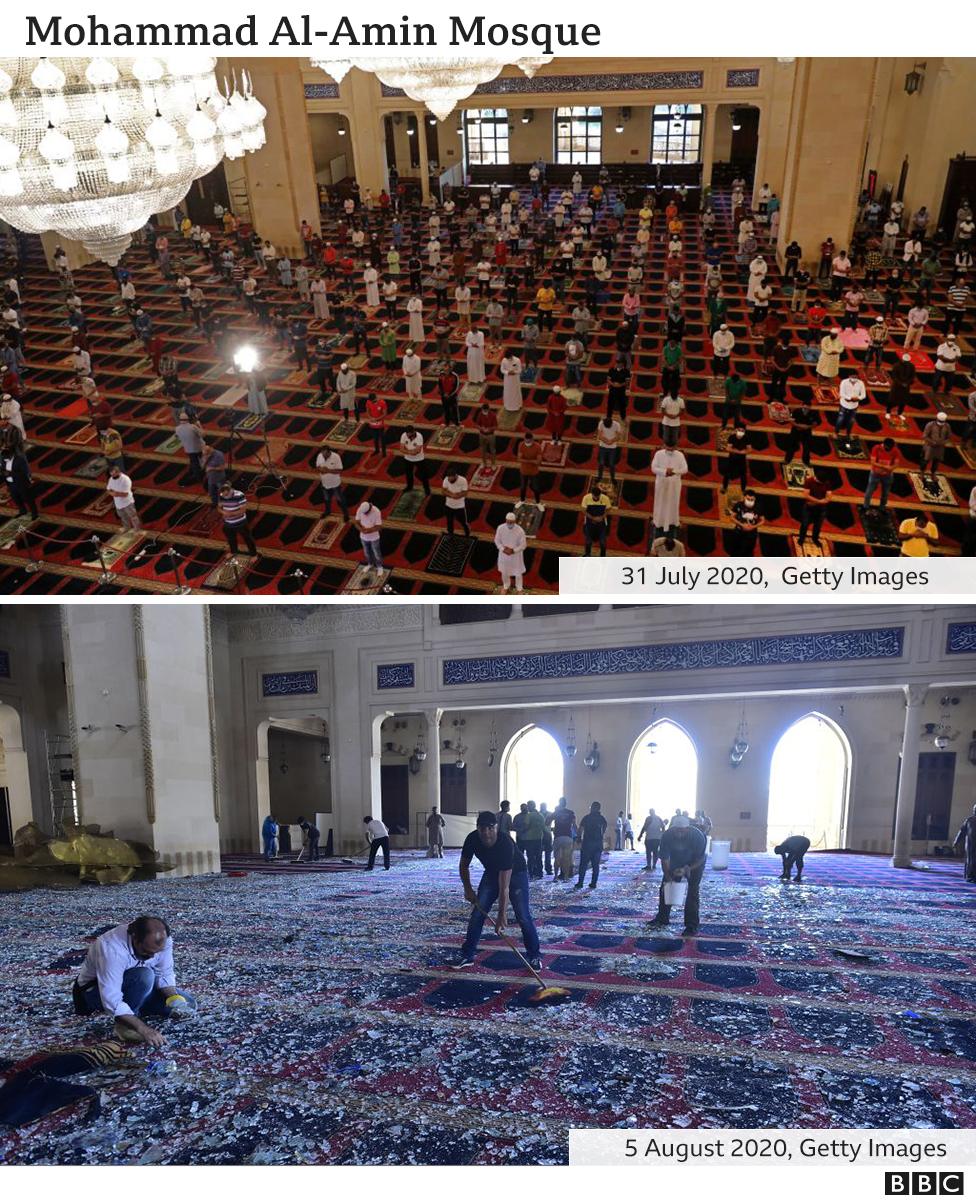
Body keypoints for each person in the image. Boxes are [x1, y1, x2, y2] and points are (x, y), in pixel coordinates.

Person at [73, 916, 196, 1045]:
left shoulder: (163, 942)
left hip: (138, 987)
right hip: (95, 992)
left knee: (188, 1003)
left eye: (156, 953)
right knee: (145, 975)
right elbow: (111, 998)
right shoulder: (111, 948)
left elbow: (163, 973)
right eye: (147, 952)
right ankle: (125, 1024)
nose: (152, 957)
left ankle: (135, 1010)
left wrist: (174, 998)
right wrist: (144, 1029)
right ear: (135, 939)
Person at [452, 810, 541, 971]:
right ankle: (467, 954)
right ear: (477, 828)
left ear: (496, 827)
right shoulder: (472, 839)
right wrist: (468, 889)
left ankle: (534, 956)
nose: (486, 833)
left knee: (523, 915)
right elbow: (463, 865)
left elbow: (504, 887)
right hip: (492, 872)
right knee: (478, 913)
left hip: (516, 873)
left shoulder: (505, 843)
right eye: (482, 828)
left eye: (490, 828)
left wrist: (501, 915)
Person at [649, 821, 708, 936]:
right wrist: (668, 876)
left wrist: (687, 869)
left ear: (688, 829)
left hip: (695, 863)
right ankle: (662, 918)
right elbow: (664, 859)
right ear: (673, 829)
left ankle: (691, 925)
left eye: (682, 831)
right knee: (666, 888)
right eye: (677, 830)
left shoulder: (698, 836)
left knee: (693, 891)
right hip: (676, 861)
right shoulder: (667, 836)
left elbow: (700, 859)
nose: (679, 833)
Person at [651, 444, 688, 535]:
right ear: (664, 445)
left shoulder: (680, 455)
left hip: (674, 485)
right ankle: (658, 521)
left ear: (675, 446)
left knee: (673, 504)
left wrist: (674, 471)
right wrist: (664, 472)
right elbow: (653, 468)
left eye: (672, 446)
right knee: (660, 503)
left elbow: (685, 469)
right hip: (661, 484)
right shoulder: (658, 454)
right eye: (668, 446)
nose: (670, 448)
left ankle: (672, 522)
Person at [218, 482, 258, 559]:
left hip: (240, 523)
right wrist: (223, 512)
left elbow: (242, 510)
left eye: (226, 495)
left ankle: (254, 554)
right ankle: (233, 551)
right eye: (223, 494)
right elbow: (219, 507)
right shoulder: (222, 495)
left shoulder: (239, 495)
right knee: (231, 539)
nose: (224, 496)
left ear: (230, 490)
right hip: (228, 523)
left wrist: (230, 514)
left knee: (248, 538)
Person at [574, 801, 608, 890]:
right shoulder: (602, 818)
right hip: (598, 844)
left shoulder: (586, 818)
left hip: (587, 844)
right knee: (595, 865)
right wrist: (600, 836)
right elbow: (604, 828)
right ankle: (593, 883)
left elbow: (580, 829)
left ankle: (580, 883)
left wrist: (578, 838)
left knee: (583, 864)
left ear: (592, 808)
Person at [797, 469, 831, 548]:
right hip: (809, 508)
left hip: (821, 509)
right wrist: (820, 501)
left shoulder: (827, 483)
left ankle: (815, 539)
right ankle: (801, 539)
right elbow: (806, 495)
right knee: (805, 524)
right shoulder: (809, 481)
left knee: (818, 526)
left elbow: (829, 497)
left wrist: (816, 502)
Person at [862, 437, 900, 509]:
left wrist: (891, 468)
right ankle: (865, 507)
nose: (889, 449)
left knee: (885, 494)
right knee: (869, 493)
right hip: (875, 474)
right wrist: (885, 467)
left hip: (887, 475)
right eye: (888, 448)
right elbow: (873, 462)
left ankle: (882, 508)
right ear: (884, 445)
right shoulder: (876, 448)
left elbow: (896, 464)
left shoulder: (895, 450)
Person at [495, 512, 527, 593]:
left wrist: (513, 550)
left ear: (515, 521)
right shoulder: (500, 528)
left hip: (516, 556)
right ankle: (506, 586)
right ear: (506, 520)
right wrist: (503, 549)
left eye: (511, 522)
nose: (509, 523)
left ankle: (519, 589)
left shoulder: (520, 531)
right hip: (504, 555)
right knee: (504, 572)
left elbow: (523, 545)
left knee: (518, 573)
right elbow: (497, 541)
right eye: (508, 522)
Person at [106, 466, 141, 531]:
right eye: (111, 474)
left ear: (118, 472)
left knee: (133, 516)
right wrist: (112, 493)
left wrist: (115, 494)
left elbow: (125, 494)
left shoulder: (126, 480)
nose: (113, 476)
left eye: (114, 474)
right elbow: (108, 489)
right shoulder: (111, 479)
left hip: (127, 502)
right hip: (118, 503)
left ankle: (137, 530)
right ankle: (126, 528)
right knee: (123, 517)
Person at [550, 797, 576, 882]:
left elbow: (547, 822)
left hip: (558, 837)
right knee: (566, 858)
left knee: (557, 858)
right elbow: (574, 825)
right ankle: (566, 877)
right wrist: (577, 836)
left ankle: (556, 876)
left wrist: (553, 828)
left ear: (559, 803)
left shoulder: (556, 812)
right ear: (565, 803)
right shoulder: (570, 813)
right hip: (567, 837)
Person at [355, 499, 384, 573]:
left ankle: (379, 566)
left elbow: (379, 527)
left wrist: (369, 530)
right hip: (363, 537)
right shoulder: (360, 509)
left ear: (370, 509)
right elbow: (356, 522)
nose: (365, 514)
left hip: (374, 537)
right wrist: (361, 530)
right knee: (366, 552)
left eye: (366, 513)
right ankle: (370, 564)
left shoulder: (376, 511)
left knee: (376, 553)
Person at [922, 412, 951, 478]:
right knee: (925, 461)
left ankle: (933, 473)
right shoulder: (930, 425)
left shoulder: (947, 426)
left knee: (936, 461)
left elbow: (949, 437)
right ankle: (922, 472)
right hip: (930, 446)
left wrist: (943, 442)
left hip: (940, 447)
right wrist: (932, 442)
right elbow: (924, 436)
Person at [952, 803, 976, 883]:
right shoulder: (969, 820)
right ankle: (970, 876)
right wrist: (956, 841)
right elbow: (962, 831)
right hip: (970, 844)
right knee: (970, 860)